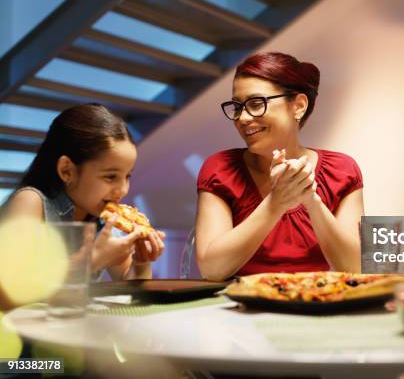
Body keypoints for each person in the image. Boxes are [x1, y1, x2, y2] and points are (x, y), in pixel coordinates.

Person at [195, 52, 364, 281]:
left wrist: (310, 198)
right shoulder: (220, 169)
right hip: (240, 308)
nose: (243, 118)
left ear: (298, 106)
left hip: (317, 305)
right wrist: (276, 203)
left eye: (256, 103)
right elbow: (211, 269)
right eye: (237, 106)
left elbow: (357, 268)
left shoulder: (342, 170)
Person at [0, 103, 165, 280]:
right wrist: (92, 260)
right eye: (110, 176)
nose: (123, 190)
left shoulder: (103, 220)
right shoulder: (30, 202)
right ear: (67, 171)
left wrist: (140, 263)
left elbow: (127, 284)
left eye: (128, 176)